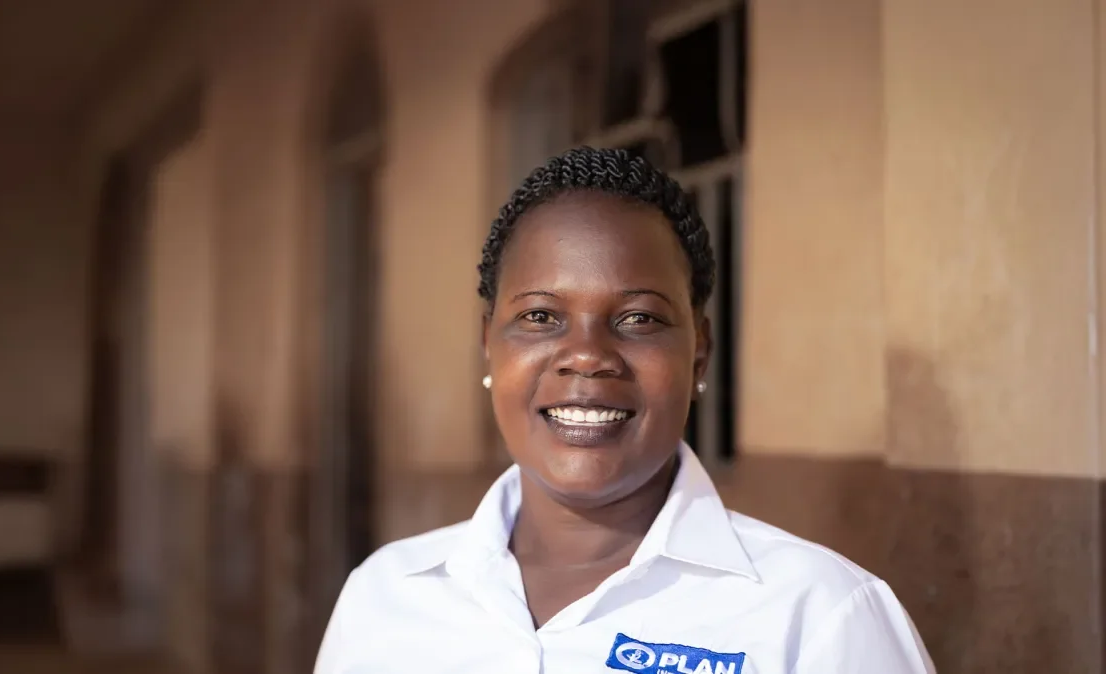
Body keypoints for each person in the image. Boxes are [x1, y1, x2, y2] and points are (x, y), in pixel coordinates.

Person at [314, 147, 934, 673]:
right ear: (489, 347)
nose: (586, 356)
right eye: (540, 317)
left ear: (698, 355)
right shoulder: (385, 597)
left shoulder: (820, 616)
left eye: (639, 319)